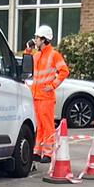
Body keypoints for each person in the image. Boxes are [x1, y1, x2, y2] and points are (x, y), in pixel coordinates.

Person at [27, 24, 69, 163]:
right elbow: (27, 63)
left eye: (37, 38)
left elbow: (64, 71)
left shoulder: (54, 54)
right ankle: (38, 151)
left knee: (47, 125)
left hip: (46, 97)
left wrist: (52, 86)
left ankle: (48, 153)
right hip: (36, 96)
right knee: (39, 125)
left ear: (44, 39)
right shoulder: (38, 55)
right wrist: (28, 48)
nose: (35, 40)